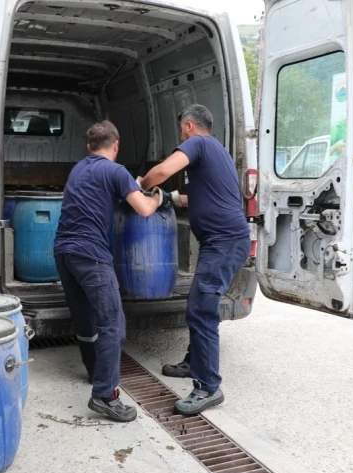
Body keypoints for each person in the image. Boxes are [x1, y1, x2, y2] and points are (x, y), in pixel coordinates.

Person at [54, 120, 171, 422]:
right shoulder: (116, 171)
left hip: (64, 252)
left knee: (85, 319)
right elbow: (144, 209)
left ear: (89, 146)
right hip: (90, 255)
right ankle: (105, 395)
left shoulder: (78, 169)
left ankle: (95, 373)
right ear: (116, 145)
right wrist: (158, 197)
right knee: (112, 325)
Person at [139, 104, 250, 416]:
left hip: (224, 243)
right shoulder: (218, 150)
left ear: (188, 125)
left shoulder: (198, 143)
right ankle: (193, 362)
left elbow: (162, 172)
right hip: (224, 242)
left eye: (181, 129)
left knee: (201, 310)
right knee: (200, 304)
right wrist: (170, 198)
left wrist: (139, 186)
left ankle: (208, 386)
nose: (181, 135)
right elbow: (205, 196)